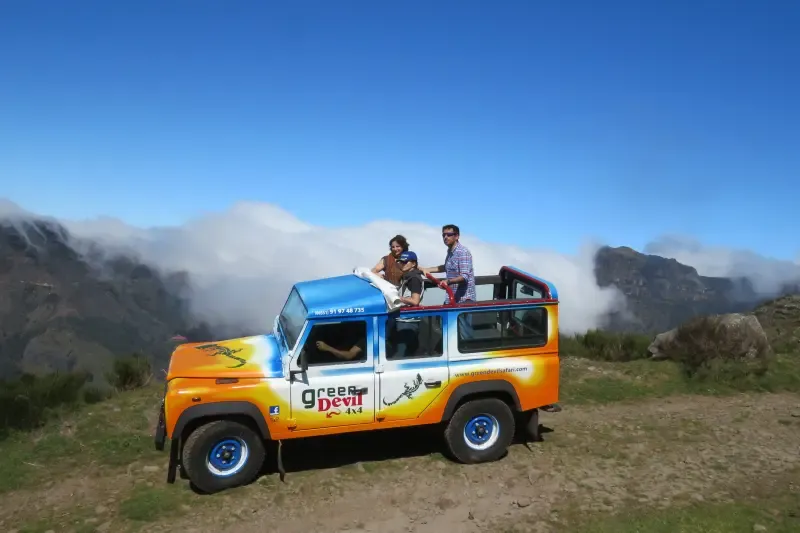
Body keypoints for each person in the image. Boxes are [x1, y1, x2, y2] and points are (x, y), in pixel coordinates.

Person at [421, 224, 476, 304]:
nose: (445, 237)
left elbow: (464, 276)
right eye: (444, 235)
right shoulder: (450, 251)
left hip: (464, 301)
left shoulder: (463, 252)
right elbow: (447, 267)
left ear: (456, 236)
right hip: (452, 299)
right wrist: (427, 270)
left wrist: (448, 282)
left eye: (449, 235)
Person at [390, 251, 425, 357]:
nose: (402, 264)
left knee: (400, 355)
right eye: (401, 262)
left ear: (413, 264)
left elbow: (415, 301)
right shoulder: (408, 276)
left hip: (408, 321)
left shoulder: (414, 278)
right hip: (405, 320)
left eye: (405, 262)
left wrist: (397, 298)